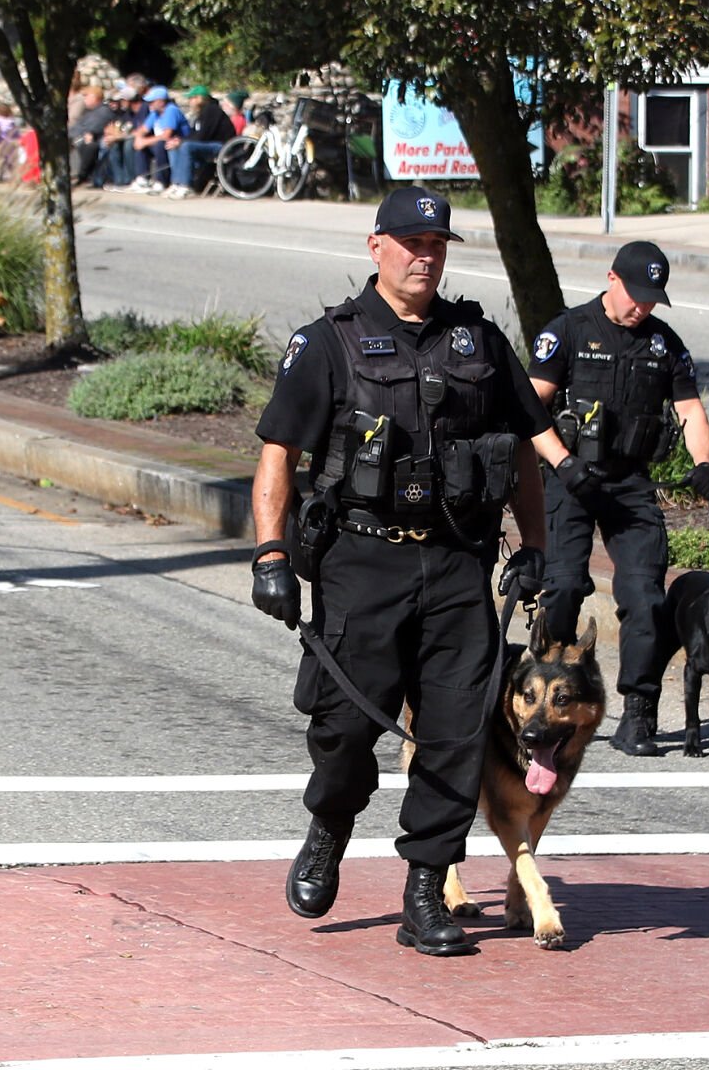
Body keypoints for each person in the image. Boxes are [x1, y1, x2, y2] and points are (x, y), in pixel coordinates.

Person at [250, 186, 553, 956]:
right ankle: (329, 828)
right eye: (411, 242)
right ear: (375, 246)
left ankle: (425, 894)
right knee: (346, 728)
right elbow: (279, 454)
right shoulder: (328, 342)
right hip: (362, 560)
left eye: (437, 244)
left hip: (457, 563)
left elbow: (521, 446)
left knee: (454, 735)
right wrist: (271, 554)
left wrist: (535, 547)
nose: (425, 255)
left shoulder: (477, 341)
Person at [527, 240, 709, 757]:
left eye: (652, 298)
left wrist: (705, 463)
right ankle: (548, 694)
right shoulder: (567, 331)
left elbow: (691, 412)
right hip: (570, 478)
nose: (642, 306)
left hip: (629, 482)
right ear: (612, 280)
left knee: (645, 597)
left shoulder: (663, 345)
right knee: (563, 586)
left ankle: (639, 714)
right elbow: (530, 409)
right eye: (636, 294)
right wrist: (563, 461)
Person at [168, 84, 236, 197]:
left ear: (199, 98)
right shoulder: (201, 114)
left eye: (191, 98)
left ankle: (186, 186)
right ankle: (176, 183)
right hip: (208, 144)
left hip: (222, 146)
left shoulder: (212, 110)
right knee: (174, 146)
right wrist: (179, 141)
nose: (189, 101)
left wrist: (183, 142)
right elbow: (195, 134)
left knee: (186, 146)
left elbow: (203, 136)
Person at [127, 85, 185, 194]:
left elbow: (166, 135)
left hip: (176, 145)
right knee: (142, 145)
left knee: (159, 144)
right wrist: (139, 138)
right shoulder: (155, 113)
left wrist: (144, 141)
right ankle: (142, 179)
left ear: (161, 101)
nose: (149, 104)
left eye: (152, 102)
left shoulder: (171, 110)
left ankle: (161, 182)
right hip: (163, 144)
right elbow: (143, 129)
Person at [68, 86, 117, 187]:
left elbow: (93, 128)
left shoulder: (103, 111)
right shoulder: (89, 112)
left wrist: (75, 135)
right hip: (79, 137)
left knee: (85, 145)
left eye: (86, 96)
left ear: (95, 98)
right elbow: (78, 127)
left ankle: (82, 176)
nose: (84, 99)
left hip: (95, 140)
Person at [0, 102, 21, 180]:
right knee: (11, 160)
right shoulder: (12, 122)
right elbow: (16, 134)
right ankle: (14, 176)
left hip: (0, 143)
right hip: (11, 143)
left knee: (1, 160)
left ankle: (1, 176)